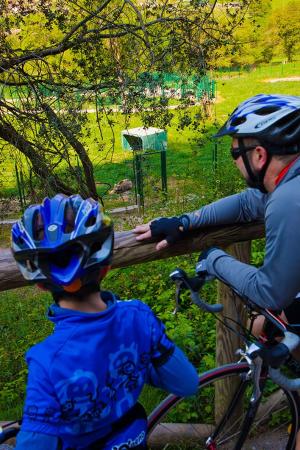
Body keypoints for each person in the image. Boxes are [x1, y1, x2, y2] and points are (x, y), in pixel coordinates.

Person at [11, 194, 198, 450]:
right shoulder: (138, 318)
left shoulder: (46, 362)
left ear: (41, 285)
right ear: (106, 268)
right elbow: (186, 382)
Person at [134, 94, 300, 323]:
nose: (234, 161)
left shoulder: (288, 201)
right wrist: (184, 222)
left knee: (265, 326)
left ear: (260, 155)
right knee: (269, 328)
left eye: (236, 153)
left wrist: (213, 259)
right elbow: (246, 203)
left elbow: (269, 293)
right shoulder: (289, 184)